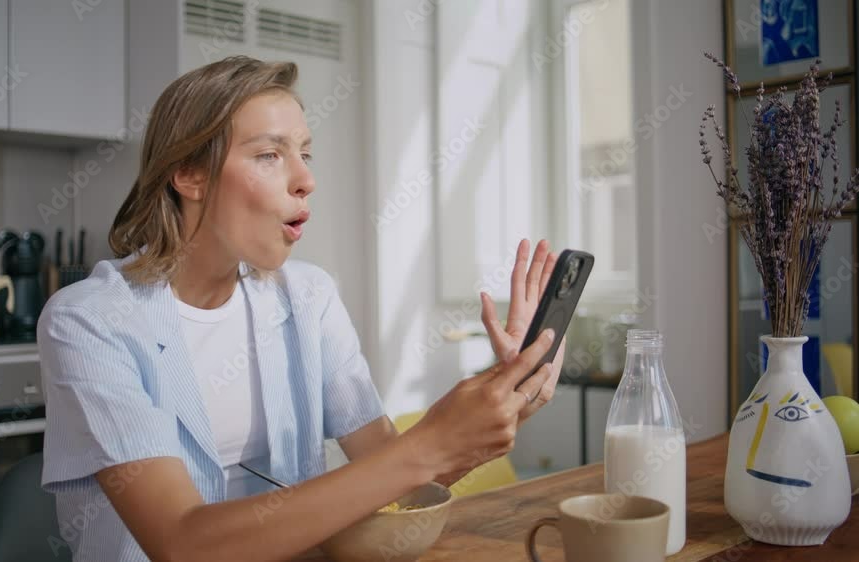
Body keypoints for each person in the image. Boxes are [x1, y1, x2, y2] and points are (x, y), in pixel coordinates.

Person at [37, 55, 565, 562]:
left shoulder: (309, 296)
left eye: (304, 154)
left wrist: (506, 397)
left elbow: (396, 479)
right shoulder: (88, 321)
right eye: (269, 155)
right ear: (190, 175)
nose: (305, 179)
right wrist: (429, 445)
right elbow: (183, 544)